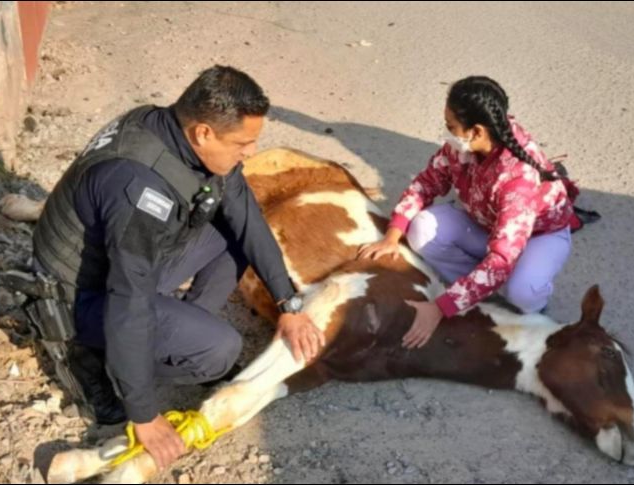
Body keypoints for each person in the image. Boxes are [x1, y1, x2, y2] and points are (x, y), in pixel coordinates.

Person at [32, 65, 325, 470]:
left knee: (232, 236)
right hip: (81, 296)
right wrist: (144, 414)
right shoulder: (137, 188)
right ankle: (89, 357)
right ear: (203, 133)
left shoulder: (172, 129)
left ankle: (177, 335)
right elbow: (128, 300)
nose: (251, 152)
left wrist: (288, 303)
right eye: (243, 143)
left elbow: (247, 218)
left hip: (126, 263)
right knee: (220, 351)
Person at [359, 76, 577, 349]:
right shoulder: (465, 145)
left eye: (451, 126)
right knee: (421, 229)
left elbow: (502, 258)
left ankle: (524, 303)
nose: (447, 133)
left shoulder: (518, 179)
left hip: (539, 237)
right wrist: (392, 235)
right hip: (487, 225)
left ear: (476, 132)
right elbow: (426, 183)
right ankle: (480, 289)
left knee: (523, 291)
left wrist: (439, 308)